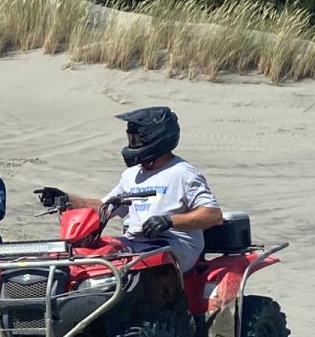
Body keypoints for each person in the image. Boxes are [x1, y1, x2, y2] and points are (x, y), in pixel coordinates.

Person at [36, 106, 222, 272]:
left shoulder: (183, 173)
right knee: (71, 252)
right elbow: (105, 206)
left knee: (121, 258)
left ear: (155, 137)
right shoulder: (131, 175)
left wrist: (169, 221)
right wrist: (66, 199)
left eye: (136, 139)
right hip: (134, 242)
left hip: (174, 244)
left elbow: (213, 215)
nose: (132, 144)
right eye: (131, 139)